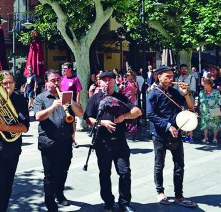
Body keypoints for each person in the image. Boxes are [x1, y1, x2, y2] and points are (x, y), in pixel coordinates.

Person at [84, 71, 142, 212]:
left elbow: (138, 111)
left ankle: (124, 202)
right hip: (102, 142)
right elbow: (87, 119)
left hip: (120, 142)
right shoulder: (95, 98)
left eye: (110, 80)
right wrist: (102, 123)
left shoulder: (120, 97)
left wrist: (124, 116)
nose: (107, 82)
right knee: (104, 174)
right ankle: (108, 202)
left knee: (125, 172)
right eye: (104, 80)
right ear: (100, 82)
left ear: (115, 82)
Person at [146, 65, 196, 208]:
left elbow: (190, 108)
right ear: (159, 76)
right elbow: (150, 114)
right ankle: (160, 192)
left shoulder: (175, 92)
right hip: (160, 135)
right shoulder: (154, 93)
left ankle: (179, 195)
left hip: (176, 135)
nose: (170, 79)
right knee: (159, 164)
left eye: (171, 76)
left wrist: (186, 94)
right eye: (167, 76)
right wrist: (168, 126)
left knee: (179, 165)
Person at [34, 69, 84, 211]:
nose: (56, 82)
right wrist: (53, 106)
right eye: (52, 80)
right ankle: (50, 202)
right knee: (50, 175)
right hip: (48, 142)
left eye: (58, 80)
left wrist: (70, 100)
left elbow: (80, 113)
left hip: (65, 141)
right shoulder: (41, 98)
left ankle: (60, 194)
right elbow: (38, 116)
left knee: (63, 171)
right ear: (46, 82)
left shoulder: (67, 96)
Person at [0, 71, 30, 211]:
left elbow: (25, 128)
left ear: (14, 84)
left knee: (8, 186)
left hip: (13, 149)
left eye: (10, 83)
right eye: (4, 83)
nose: (7, 86)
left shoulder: (20, 100)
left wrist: (6, 127)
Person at [60, 62, 82, 148]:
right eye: (63, 68)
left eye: (65, 68)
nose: (63, 70)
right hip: (62, 102)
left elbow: (78, 93)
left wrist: (77, 104)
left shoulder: (75, 79)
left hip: (71, 103)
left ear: (70, 69)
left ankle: (73, 140)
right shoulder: (62, 78)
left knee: (72, 122)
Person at [174, 64, 197, 143]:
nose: (184, 70)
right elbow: (175, 90)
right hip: (180, 100)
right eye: (182, 69)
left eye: (185, 68)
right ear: (180, 70)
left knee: (190, 116)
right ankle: (183, 135)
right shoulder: (178, 78)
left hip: (189, 99)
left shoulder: (191, 78)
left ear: (187, 69)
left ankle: (190, 136)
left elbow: (192, 90)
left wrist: (185, 91)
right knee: (182, 117)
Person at [199, 78, 221, 144]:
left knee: (215, 124)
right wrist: (200, 109)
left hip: (215, 110)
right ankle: (205, 137)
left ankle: (215, 138)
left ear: (210, 84)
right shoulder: (201, 92)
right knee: (205, 124)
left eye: (205, 83)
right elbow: (200, 102)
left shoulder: (216, 92)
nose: (203, 85)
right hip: (205, 111)